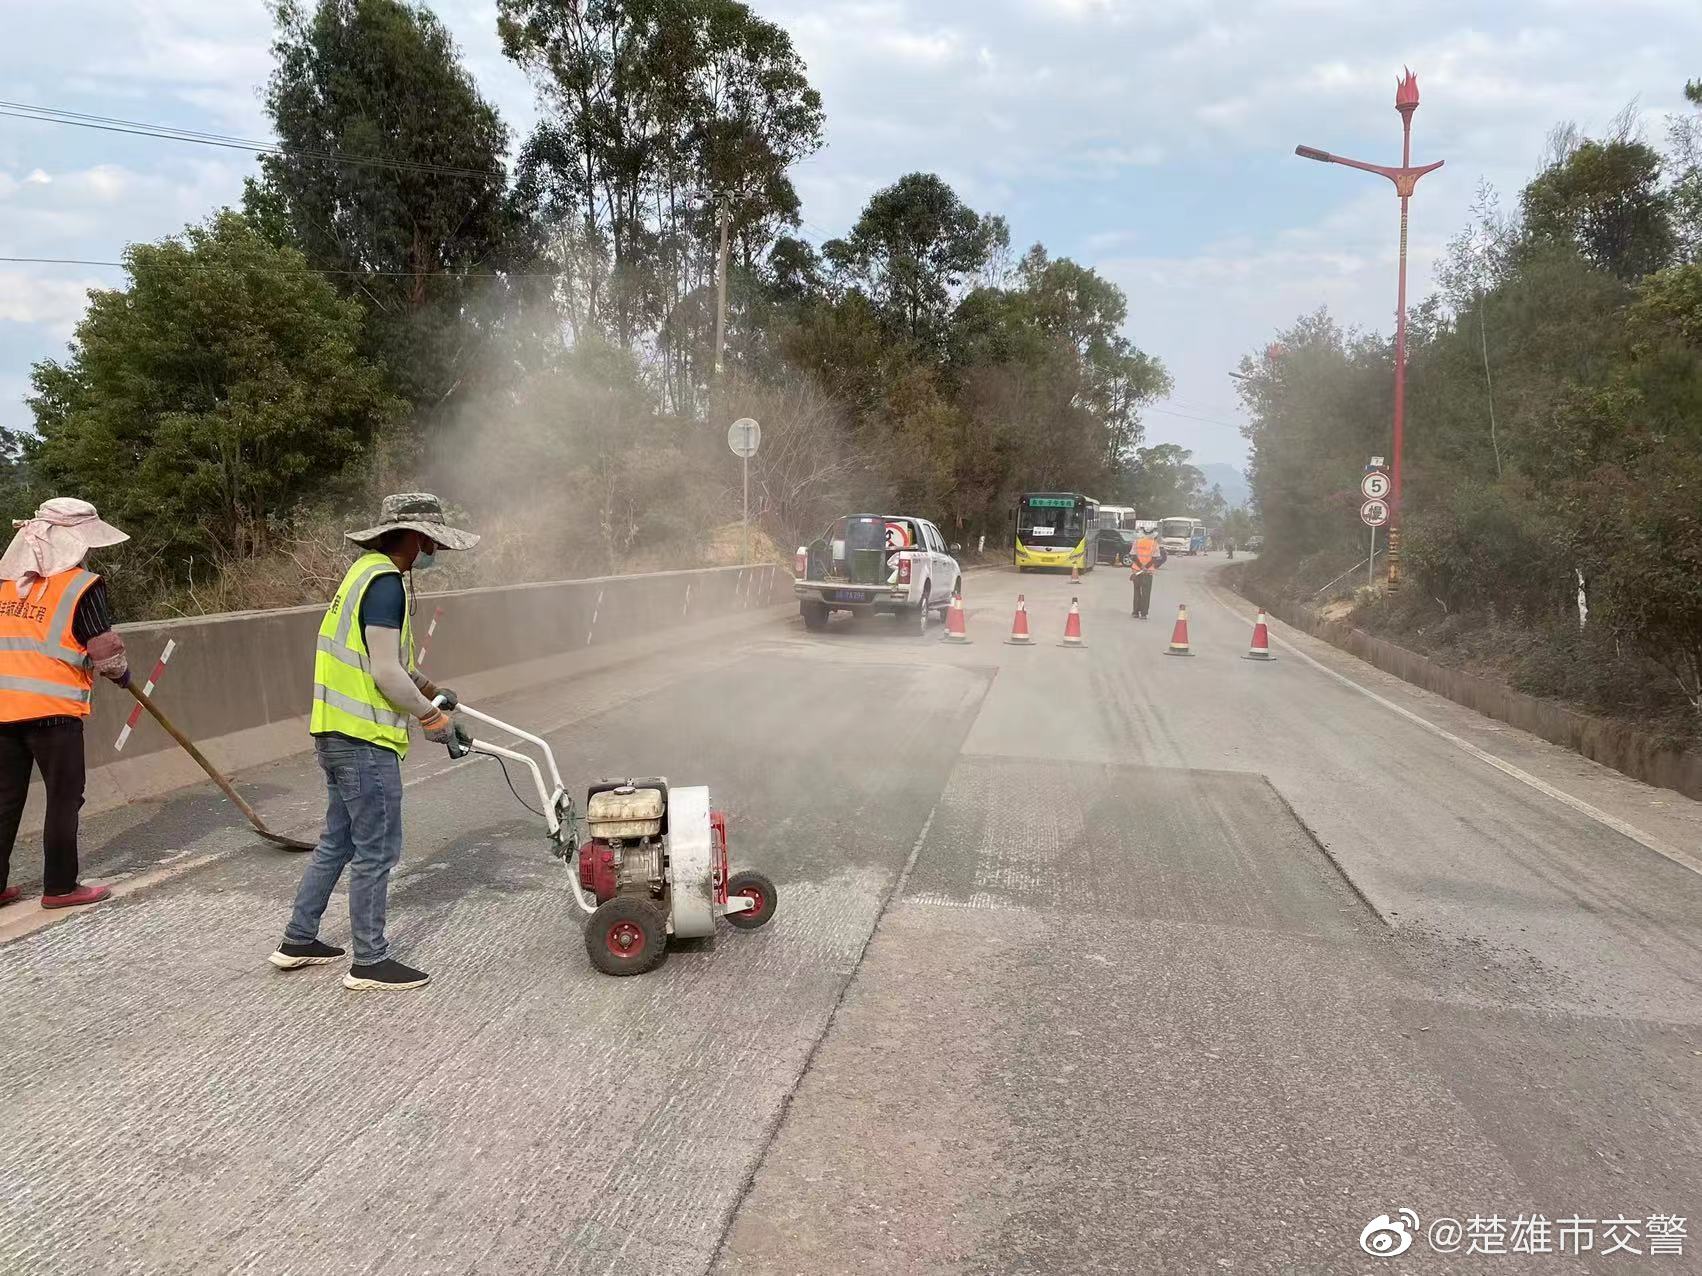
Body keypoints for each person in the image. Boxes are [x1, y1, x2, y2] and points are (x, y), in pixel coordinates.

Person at [269, 493, 478, 992]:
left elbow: (385, 660)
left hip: (334, 732)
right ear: (416, 538)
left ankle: (298, 939)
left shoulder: (362, 574)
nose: (434, 551)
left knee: (337, 842)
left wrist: (431, 690)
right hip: (363, 740)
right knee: (377, 850)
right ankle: (370, 960)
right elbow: (384, 673)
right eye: (431, 541)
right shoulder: (387, 585)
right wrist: (432, 719)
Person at [0, 498, 133, 910]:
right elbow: (103, 650)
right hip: (52, 711)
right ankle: (60, 887)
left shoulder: (5, 582)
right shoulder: (81, 584)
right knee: (63, 797)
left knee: (4, 799)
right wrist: (120, 673)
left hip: (3, 708)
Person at [1130, 535, 1160, 620]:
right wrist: (1146, 567)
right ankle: (1143, 614)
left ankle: (1135, 612)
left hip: (1136, 571)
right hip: (1148, 572)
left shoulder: (1137, 542)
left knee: (1137, 591)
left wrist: (1140, 566)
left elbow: (1133, 556)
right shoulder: (1154, 544)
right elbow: (1155, 558)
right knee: (1146, 593)